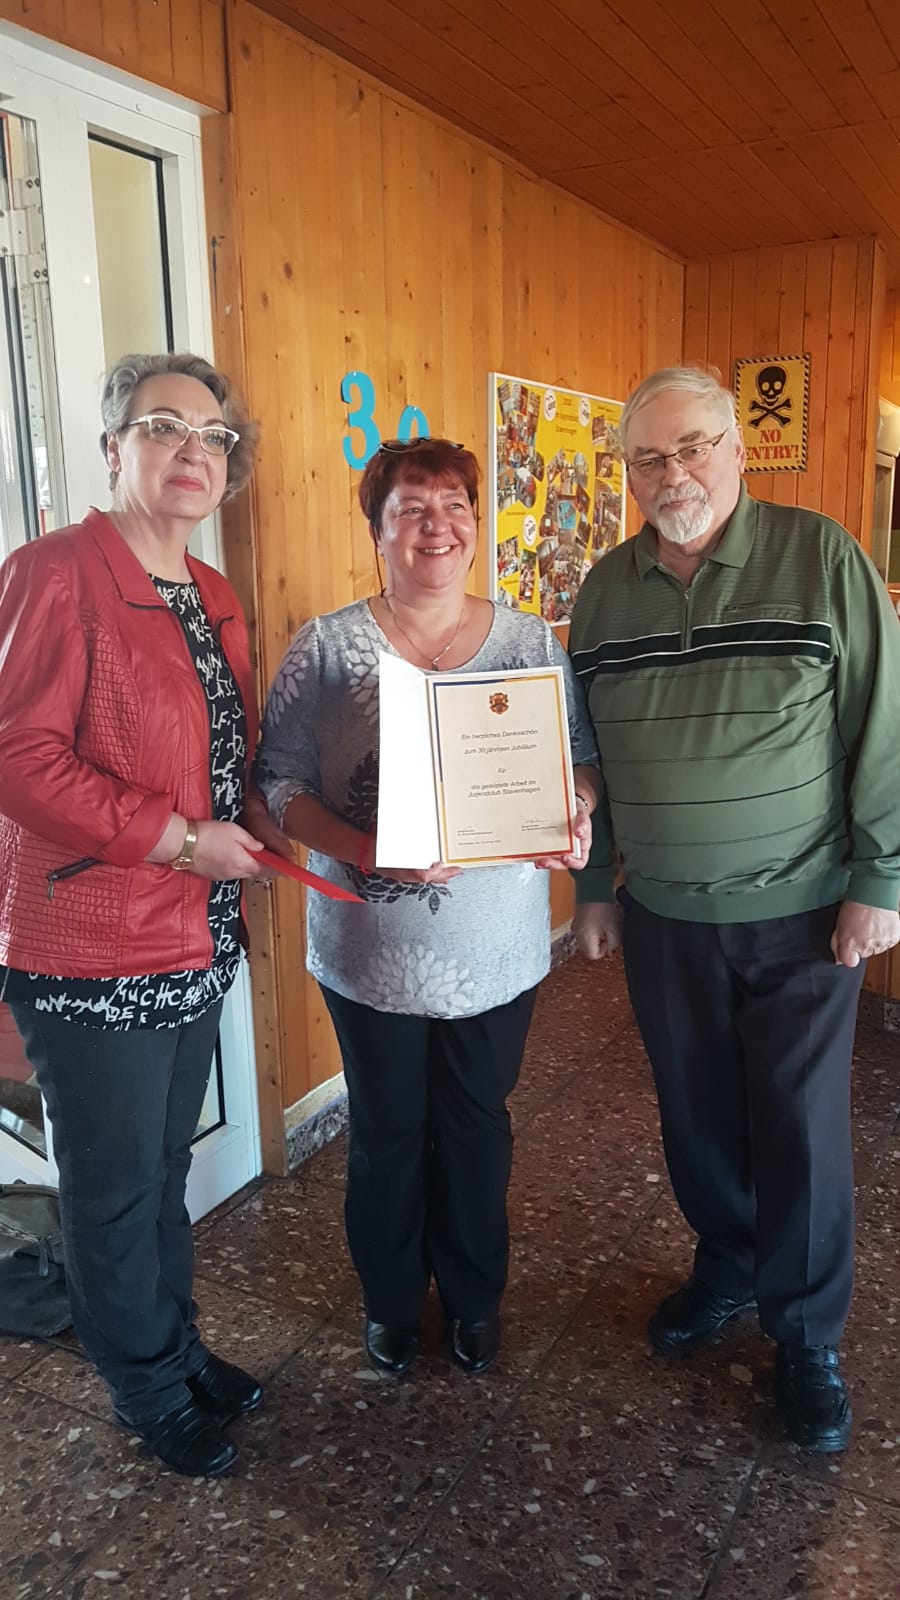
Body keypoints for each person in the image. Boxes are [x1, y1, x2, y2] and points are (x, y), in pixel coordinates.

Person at [569, 366, 900, 1453]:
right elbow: (585, 757)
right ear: (628, 474)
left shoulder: (822, 557)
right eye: (649, 458)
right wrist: (593, 888)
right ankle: (729, 1264)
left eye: (694, 446)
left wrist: (881, 881)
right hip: (663, 913)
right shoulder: (603, 592)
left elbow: (882, 723)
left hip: (803, 909)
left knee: (798, 1124)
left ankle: (805, 1335)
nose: (674, 473)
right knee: (696, 1112)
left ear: (738, 451)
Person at [0, 353, 291, 1477]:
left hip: (195, 932)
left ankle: (175, 1347)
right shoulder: (54, 571)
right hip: (93, 942)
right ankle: (144, 1387)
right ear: (112, 446)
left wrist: (263, 825)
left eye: (212, 436)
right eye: (162, 426)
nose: (190, 450)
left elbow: (219, 754)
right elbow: (20, 761)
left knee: (163, 1166)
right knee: (114, 1188)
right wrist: (179, 840)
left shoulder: (211, 593)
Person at [256, 436, 600, 1377]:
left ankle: (475, 1298)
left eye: (455, 507)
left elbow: (577, 760)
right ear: (378, 532)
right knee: (387, 1129)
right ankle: (391, 1301)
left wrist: (574, 811)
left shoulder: (528, 642)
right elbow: (277, 782)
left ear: (477, 526)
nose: (435, 526)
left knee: (477, 1124)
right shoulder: (327, 648)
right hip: (369, 945)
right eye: (410, 509)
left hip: (495, 949)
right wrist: (369, 849)